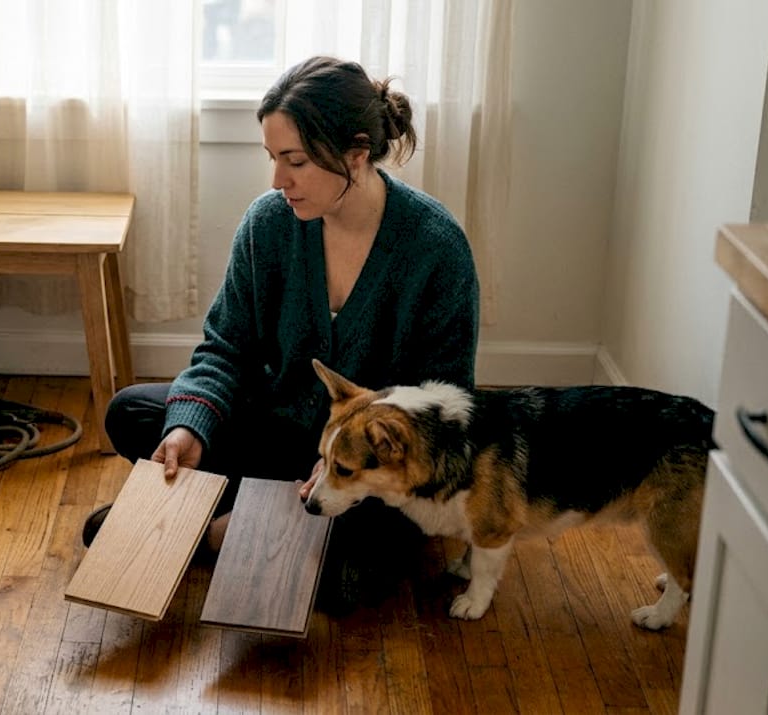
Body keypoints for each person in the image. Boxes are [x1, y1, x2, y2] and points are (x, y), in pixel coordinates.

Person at [88, 55, 480, 611]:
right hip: (277, 428)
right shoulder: (269, 224)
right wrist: (189, 429)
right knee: (132, 412)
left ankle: (206, 528)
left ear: (356, 154)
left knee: (355, 577)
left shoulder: (436, 247)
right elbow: (226, 347)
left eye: (294, 161)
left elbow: (447, 404)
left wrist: (348, 462)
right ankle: (256, 525)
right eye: (273, 159)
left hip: (368, 469)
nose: (278, 180)